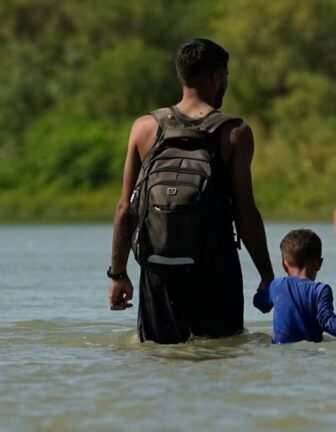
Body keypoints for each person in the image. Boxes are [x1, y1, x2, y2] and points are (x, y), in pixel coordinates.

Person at [107, 38, 274, 343]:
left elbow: (125, 209)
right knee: (221, 352)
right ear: (217, 78)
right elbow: (245, 211)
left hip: (158, 268)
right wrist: (267, 275)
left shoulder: (144, 127)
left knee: (161, 357)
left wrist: (118, 275)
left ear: (181, 76)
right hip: (215, 267)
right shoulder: (235, 133)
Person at [253, 229, 336, 344]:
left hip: (281, 353)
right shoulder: (320, 290)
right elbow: (327, 321)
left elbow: (260, 305)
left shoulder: (276, 286)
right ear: (319, 263)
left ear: (284, 265)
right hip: (311, 354)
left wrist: (262, 288)